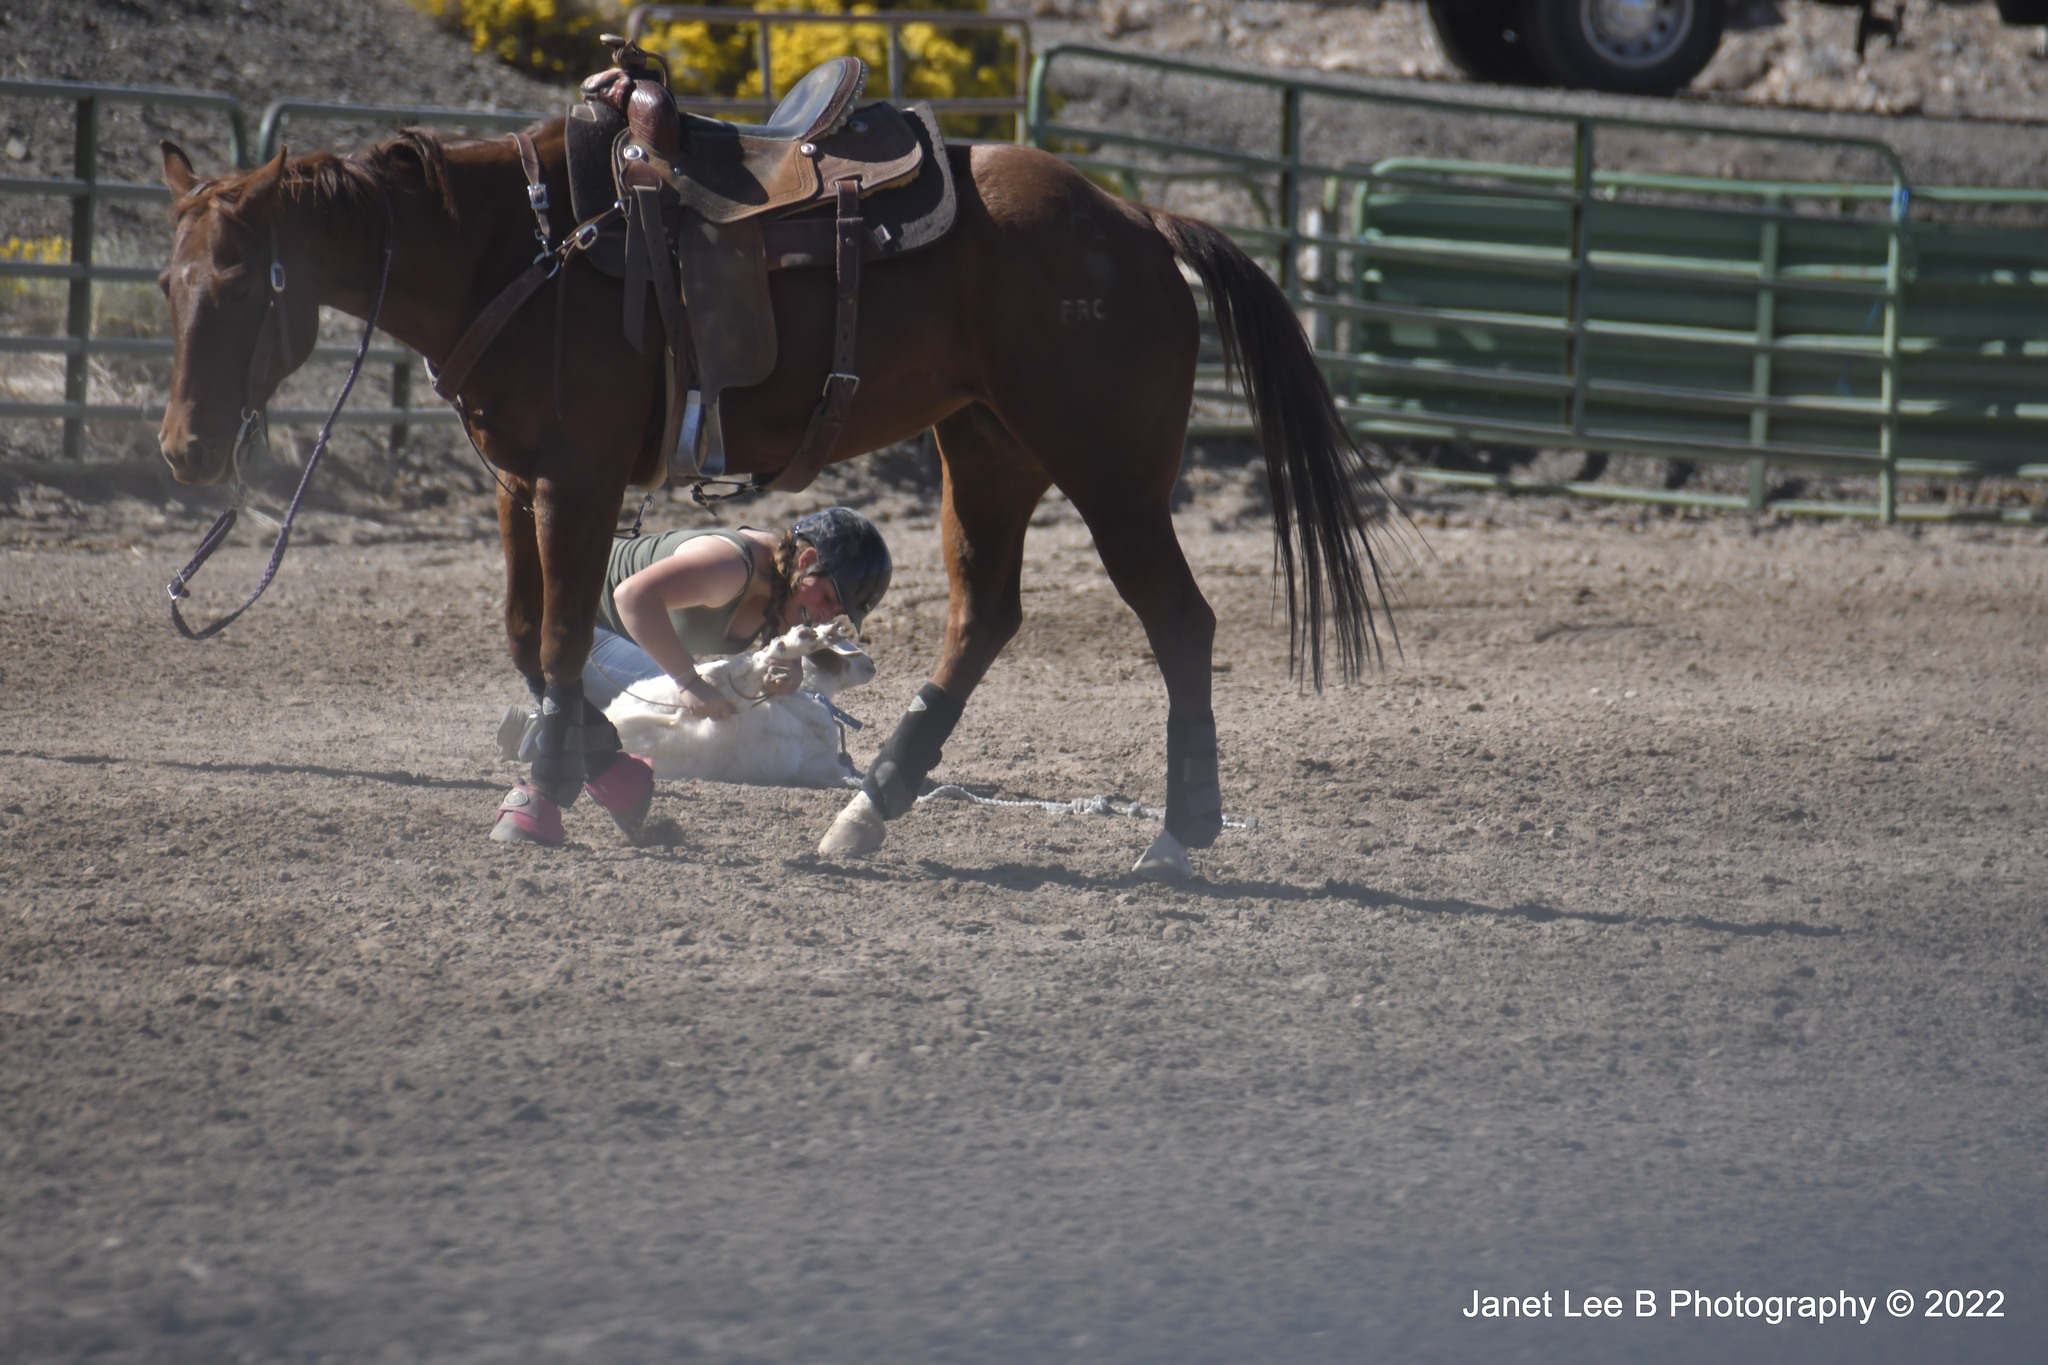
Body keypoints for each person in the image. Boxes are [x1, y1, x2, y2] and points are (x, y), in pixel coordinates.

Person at [498, 507, 892, 760]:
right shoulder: (731, 567)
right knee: (695, 708)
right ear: (806, 561)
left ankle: (570, 725)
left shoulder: (781, 583)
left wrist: (789, 665)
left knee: (721, 710)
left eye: (836, 610)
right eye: (827, 596)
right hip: (570, 629)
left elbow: (776, 641)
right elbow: (631, 597)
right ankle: (549, 731)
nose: (824, 614)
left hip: (601, 636)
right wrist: (688, 682)